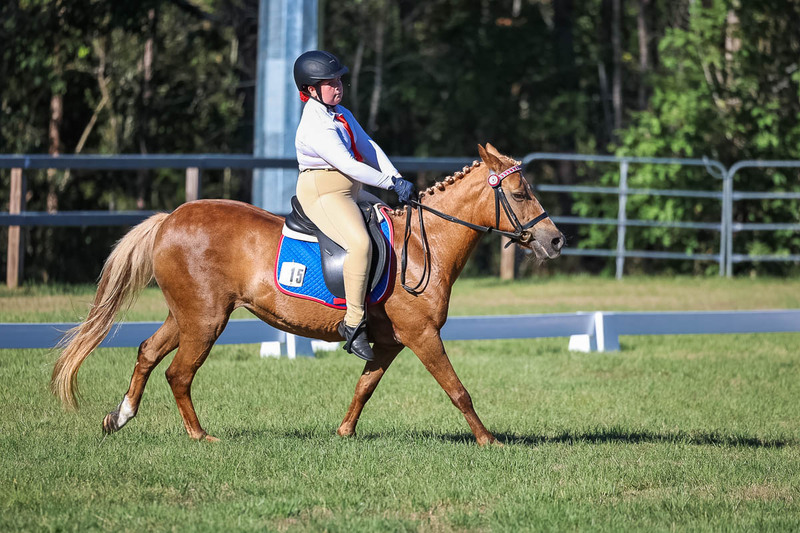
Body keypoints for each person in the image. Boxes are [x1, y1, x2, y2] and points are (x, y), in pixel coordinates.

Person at [293, 50, 416, 362]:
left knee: (392, 218)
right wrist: (389, 184)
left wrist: (396, 176)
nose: (338, 86)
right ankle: (353, 323)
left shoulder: (340, 113)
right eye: (329, 82)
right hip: (324, 193)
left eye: (338, 80)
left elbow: (368, 146)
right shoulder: (316, 125)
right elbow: (349, 164)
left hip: (351, 190)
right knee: (360, 244)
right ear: (310, 90)